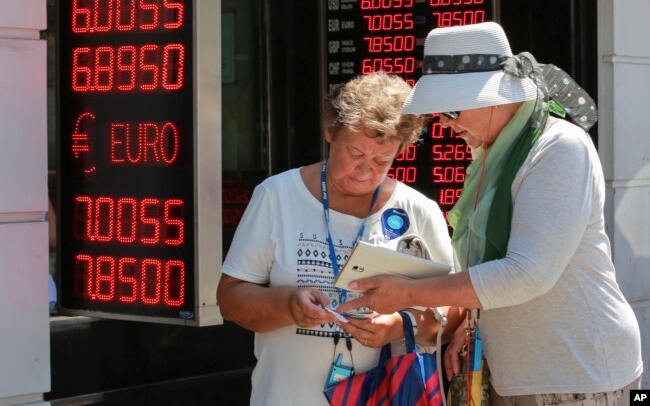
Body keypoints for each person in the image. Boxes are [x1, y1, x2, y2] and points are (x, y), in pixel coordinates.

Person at [338, 22, 643, 405]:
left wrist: (408, 292)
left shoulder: (560, 146)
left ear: (492, 98)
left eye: (450, 109)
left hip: (577, 375)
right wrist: (471, 323)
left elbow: (525, 273)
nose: (444, 124)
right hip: (522, 375)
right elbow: (493, 272)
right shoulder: (495, 153)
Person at [217, 71, 459, 406]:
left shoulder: (418, 210)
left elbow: (456, 309)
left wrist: (399, 325)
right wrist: (288, 306)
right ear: (330, 131)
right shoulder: (277, 195)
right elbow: (231, 299)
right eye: (355, 153)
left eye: (381, 160)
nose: (365, 170)